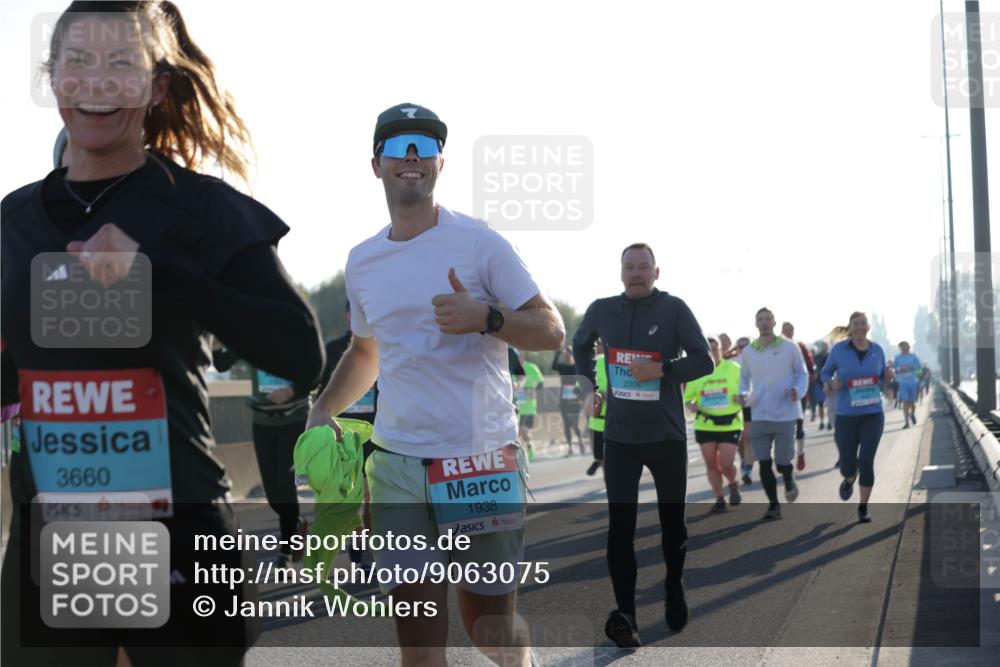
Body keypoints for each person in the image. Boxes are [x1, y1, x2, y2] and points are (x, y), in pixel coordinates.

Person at [1, 3, 325, 664]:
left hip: (178, 525)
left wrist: (165, 277)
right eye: (79, 63)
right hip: (53, 536)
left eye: (122, 64)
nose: (98, 84)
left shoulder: (201, 210)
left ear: (157, 87)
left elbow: (299, 351)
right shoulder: (13, 222)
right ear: (53, 79)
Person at [306, 102, 564, 667]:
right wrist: (320, 414)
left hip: (478, 460)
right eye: (399, 147)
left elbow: (551, 329)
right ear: (376, 164)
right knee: (419, 647)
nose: (412, 157)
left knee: (489, 630)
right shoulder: (362, 261)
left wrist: (488, 318)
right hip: (397, 465)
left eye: (426, 146)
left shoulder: (479, 243)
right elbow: (367, 350)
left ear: (441, 163)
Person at [574, 242, 713, 645]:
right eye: (629, 267)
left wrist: (663, 369)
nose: (635, 273)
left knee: (673, 526)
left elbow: (703, 359)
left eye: (643, 267)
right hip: (620, 437)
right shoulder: (602, 309)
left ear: (657, 272)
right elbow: (580, 344)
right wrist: (589, 385)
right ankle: (627, 616)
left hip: (666, 436)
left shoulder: (674, 309)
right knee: (620, 529)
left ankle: (673, 586)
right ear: (620, 272)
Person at [212, 343, 311, 567]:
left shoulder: (295, 336)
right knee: (273, 492)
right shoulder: (253, 338)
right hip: (262, 422)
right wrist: (217, 344)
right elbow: (221, 364)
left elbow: (316, 373)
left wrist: (292, 390)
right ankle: (295, 522)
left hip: (293, 420)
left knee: (285, 486)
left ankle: (285, 552)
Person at [320, 300, 379, 563]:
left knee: (370, 495)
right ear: (348, 316)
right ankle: (358, 544)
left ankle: (371, 539)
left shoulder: (385, 347)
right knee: (352, 494)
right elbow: (323, 391)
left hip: (376, 429)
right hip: (343, 432)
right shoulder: (332, 350)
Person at [821, 312, 893, 523]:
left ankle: (863, 507)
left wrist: (889, 375)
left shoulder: (877, 350)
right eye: (856, 324)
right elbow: (825, 373)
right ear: (850, 328)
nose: (860, 327)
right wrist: (830, 384)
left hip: (872, 414)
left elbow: (883, 375)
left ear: (868, 327)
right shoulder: (839, 350)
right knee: (848, 464)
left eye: (863, 323)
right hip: (846, 416)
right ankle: (849, 479)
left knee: (867, 460)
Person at [738, 309, 809, 520]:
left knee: (781, 461)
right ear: (756, 324)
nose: (765, 323)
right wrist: (743, 394)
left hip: (786, 413)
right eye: (760, 319)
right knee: (764, 462)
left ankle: (788, 478)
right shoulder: (750, 352)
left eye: (768, 319)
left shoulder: (789, 347)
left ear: (774, 322)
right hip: (759, 413)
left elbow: (802, 373)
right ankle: (773, 505)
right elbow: (743, 379)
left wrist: (798, 390)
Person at [683, 337, 743, 511]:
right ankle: (719, 498)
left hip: (729, 423)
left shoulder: (733, 368)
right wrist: (691, 405)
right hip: (705, 423)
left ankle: (732, 483)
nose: (713, 351)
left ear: (720, 350)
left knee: (725, 462)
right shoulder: (697, 371)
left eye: (716, 348)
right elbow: (688, 398)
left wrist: (742, 397)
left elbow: (746, 391)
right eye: (709, 349)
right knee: (710, 463)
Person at [781, 321, 815, 472]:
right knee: (783, 428)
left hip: (798, 394)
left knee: (799, 427)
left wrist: (808, 377)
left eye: (790, 330)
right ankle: (785, 456)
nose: (788, 332)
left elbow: (809, 366)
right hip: (780, 394)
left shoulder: (800, 346)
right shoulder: (776, 347)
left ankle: (800, 452)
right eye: (785, 330)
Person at [552, 347, 586, 456]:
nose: (566, 355)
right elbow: (553, 367)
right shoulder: (562, 367)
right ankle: (570, 448)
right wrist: (557, 354)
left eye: (568, 353)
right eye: (565, 354)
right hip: (564, 399)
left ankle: (580, 441)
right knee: (567, 424)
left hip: (575, 399)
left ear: (572, 354)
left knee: (574, 425)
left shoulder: (577, 367)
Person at [514, 351, 544, 462]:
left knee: (524, 431)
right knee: (517, 434)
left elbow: (541, 382)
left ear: (523, 356)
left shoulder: (531, 368)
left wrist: (534, 391)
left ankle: (529, 450)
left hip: (529, 407)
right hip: (514, 407)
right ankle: (526, 449)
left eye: (519, 356)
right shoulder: (508, 368)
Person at [733, 336, 754, 484]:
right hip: (734, 405)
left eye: (746, 346)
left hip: (750, 404)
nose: (743, 349)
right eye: (740, 346)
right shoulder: (732, 362)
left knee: (747, 436)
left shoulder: (757, 360)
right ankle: (743, 459)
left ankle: (747, 469)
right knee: (739, 439)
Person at [586, 340, 608, 476]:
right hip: (596, 421)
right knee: (602, 456)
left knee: (610, 457)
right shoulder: (589, 365)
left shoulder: (611, 362)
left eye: (600, 343)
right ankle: (598, 461)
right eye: (595, 344)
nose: (598, 346)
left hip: (613, 420)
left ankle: (599, 461)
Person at [893, 342, 922, 428]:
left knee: (912, 402)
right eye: (903, 347)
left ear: (909, 347)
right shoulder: (897, 358)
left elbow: (919, 368)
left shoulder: (913, 357)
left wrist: (918, 374)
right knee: (905, 401)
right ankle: (906, 422)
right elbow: (895, 369)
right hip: (902, 382)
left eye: (906, 347)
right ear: (900, 348)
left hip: (913, 381)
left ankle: (912, 413)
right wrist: (900, 369)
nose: (905, 349)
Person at [813, 341, 830, 429]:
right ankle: (822, 422)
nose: (824, 348)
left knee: (829, 404)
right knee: (820, 403)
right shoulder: (816, 357)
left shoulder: (830, 356)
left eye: (826, 346)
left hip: (829, 383)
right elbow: (813, 367)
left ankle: (829, 421)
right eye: (823, 346)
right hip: (819, 383)